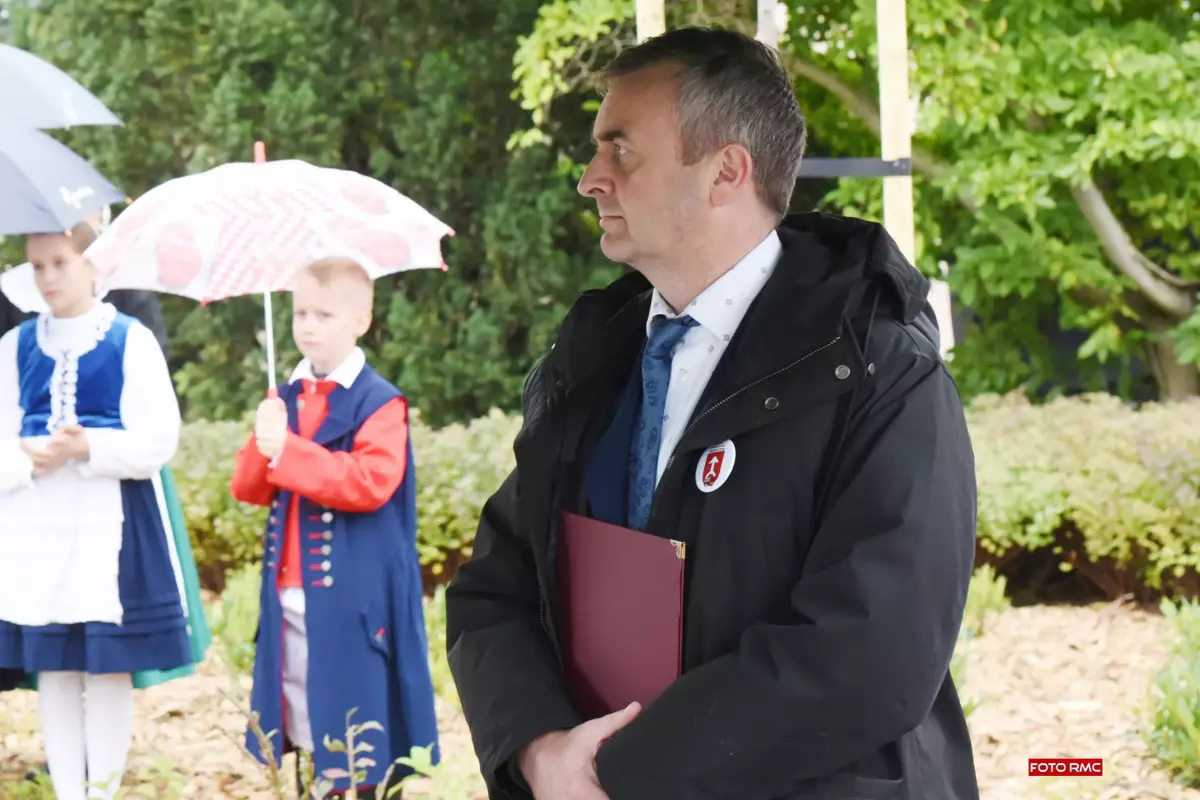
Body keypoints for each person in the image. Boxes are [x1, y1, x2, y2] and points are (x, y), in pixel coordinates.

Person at [445, 27, 979, 800]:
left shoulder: (881, 374)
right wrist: (539, 751)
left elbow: (870, 655)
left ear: (726, 171)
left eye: (621, 150)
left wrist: (619, 774)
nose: (590, 180)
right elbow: (496, 589)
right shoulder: (591, 367)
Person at [0, 223, 205, 800]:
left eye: (61, 262)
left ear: (95, 264)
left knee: (107, 665)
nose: (48, 277)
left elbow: (158, 439)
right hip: (38, 525)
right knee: (56, 664)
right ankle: (70, 792)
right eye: (38, 265)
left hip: (109, 526)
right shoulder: (15, 347)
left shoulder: (127, 340)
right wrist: (27, 456)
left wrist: (88, 446)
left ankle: (102, 791)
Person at [229, 257, 439, 798]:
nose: (308, 326)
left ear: (361, 321)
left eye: (324, 315)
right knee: (302, 712)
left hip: (355, 597)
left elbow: (370, 482)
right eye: (301, 313)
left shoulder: (380, 401)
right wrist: (263, 437)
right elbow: (248, 489)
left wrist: (288, 450)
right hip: (287, 590)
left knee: (357, 714)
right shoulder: (283, 398)